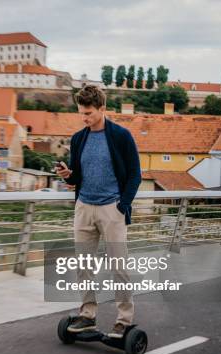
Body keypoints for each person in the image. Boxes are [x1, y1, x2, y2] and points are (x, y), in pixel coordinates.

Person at [55, 85, 141, 339]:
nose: (85, 118)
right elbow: (76, 177)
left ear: (103, 109)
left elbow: (135, 175)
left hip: (111, 208)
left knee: (119, 266)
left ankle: (124, 320)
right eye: (81, 113)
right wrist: (67, 175)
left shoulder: (121, 136)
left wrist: (122, 206)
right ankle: (87, 315)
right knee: (83, 266)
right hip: (84, 207)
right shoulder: (78, 138)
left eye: (89, 113)